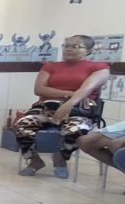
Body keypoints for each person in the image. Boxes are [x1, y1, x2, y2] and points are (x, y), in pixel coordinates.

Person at [14, 34, 110, 178]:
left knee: (78, 130)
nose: (68, 49)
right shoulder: (50, 66)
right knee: (22, 125)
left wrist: (68, 104)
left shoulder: (99, 68)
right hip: (46, 109)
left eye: (75, 46)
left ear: (89, 51)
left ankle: (61, 156)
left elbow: (87, 89)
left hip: (78, 111)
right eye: (66, 45)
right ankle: (34, 160)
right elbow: (39, 89)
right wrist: (70, 94)